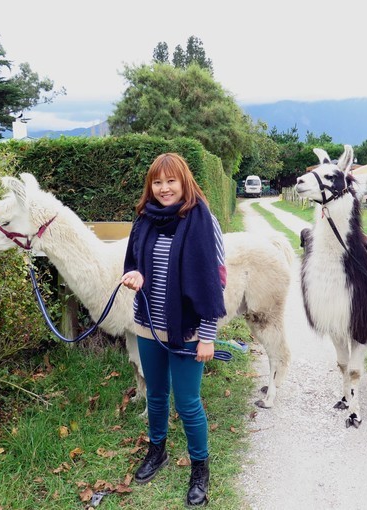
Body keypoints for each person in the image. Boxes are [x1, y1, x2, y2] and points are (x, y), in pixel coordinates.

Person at [121, 152, 227, 506]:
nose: (164, 188)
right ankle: (158, 451)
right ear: (150, 186)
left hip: (189, 330)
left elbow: (216, 280)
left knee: (188, 401)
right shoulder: (144, 220)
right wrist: (135, 275)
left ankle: (200, 468)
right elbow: (134, 264)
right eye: (157, 182)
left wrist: (208, 336)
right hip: (148, 325)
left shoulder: (203, 220)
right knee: (155, 394)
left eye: (171, 181)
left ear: (184, 182)